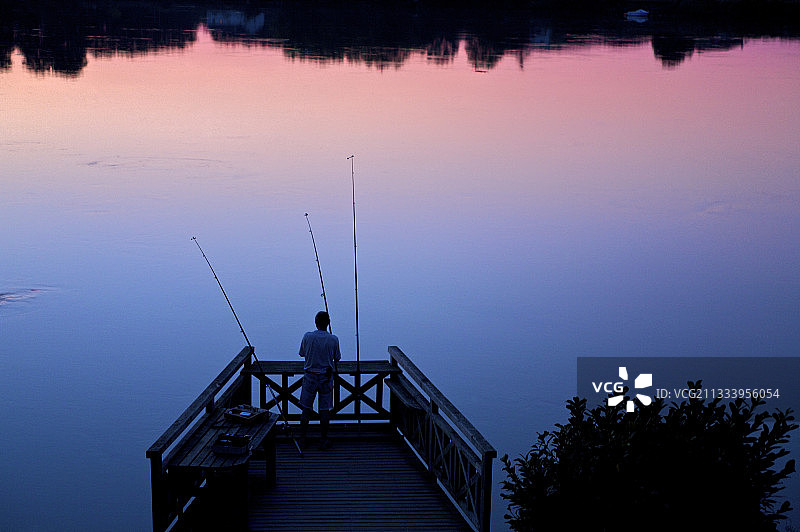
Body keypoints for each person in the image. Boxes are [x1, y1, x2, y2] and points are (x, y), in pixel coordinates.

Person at [298, 311, 341, 449]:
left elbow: (302, 353)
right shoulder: (334, 339)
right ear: (328, 323)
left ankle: (303, 439)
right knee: (324, 410)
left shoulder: (308, 336)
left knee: (306, 409)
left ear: (315, 323)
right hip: (326, 378)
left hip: (310, 377)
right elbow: (337, 358)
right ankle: (323, 439)